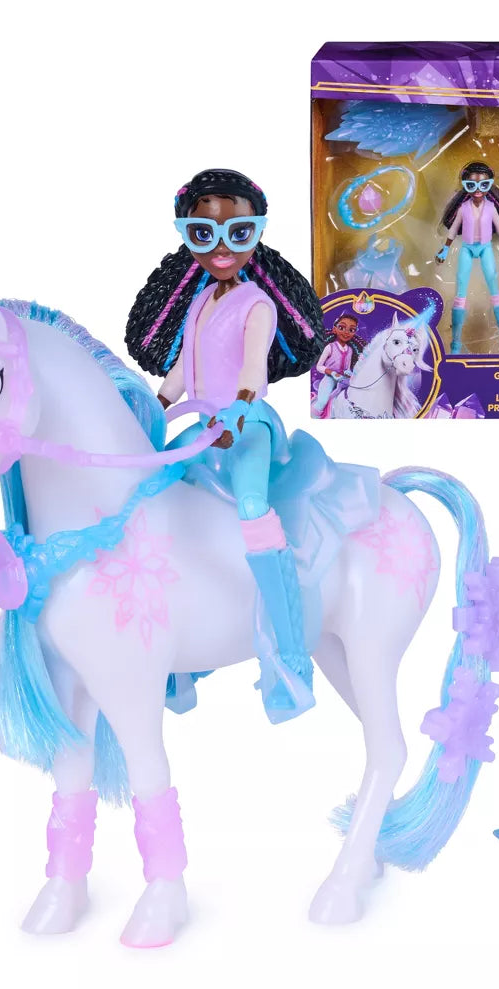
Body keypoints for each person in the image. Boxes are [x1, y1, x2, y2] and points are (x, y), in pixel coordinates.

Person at [125, 168, 328, 721]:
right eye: (203, 233)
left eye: (238, 234)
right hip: (204, 425)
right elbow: (181, 371)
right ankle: (182, 660)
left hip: (247, 424)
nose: (221, 248)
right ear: (186, 236)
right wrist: (152, 408)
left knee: (253, 507)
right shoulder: (198, 302)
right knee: (155, 492)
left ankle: (290, 659)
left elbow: (252, 369)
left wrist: (239, 408)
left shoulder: (257, 304)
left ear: (256, 234)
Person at [435, 161, 499, 354]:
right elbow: (453, 230)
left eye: (484, 185)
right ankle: (455, 345)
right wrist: (445, 249)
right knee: (461, 289)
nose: (478, 190)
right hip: (467, 248)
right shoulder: (463, 208)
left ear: (490, 185)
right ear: (465, 186)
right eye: (471, 185)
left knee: (494, 286)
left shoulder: (491, 207)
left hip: (485, 248)